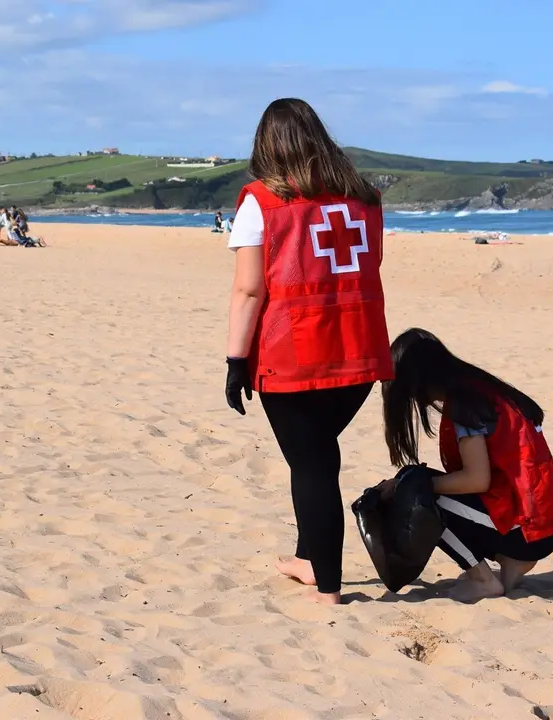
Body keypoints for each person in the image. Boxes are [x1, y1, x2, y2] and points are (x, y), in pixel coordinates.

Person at [224, 98, 393, 605]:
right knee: (314, 454)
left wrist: (235, 361)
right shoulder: (365, 199)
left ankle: (329, 586)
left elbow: (249, 291)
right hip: (360, 349)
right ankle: (307, 558)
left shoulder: (261, 201)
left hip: (294, 352)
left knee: (314, 465)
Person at [381, 328, 553, 602]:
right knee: (413, 479)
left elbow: (476, 480)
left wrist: (408, 486)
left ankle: (483, 580)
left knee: (418, 494)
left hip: (530, 528)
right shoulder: (481, 387)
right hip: (543, 520)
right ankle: (512, 562)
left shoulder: (465, 405)